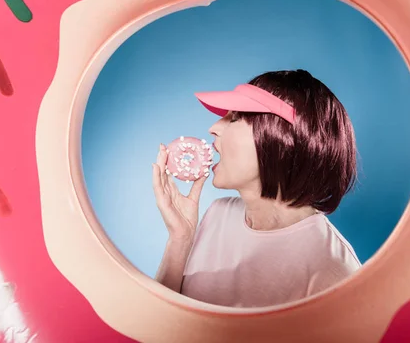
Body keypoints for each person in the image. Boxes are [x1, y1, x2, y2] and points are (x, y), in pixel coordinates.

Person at [151, 69, 361, 308]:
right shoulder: (218, 214)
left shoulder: (332, 271)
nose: (213, 128)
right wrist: (180, 238)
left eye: (234, 118)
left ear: (281, 138)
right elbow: (161, 325)